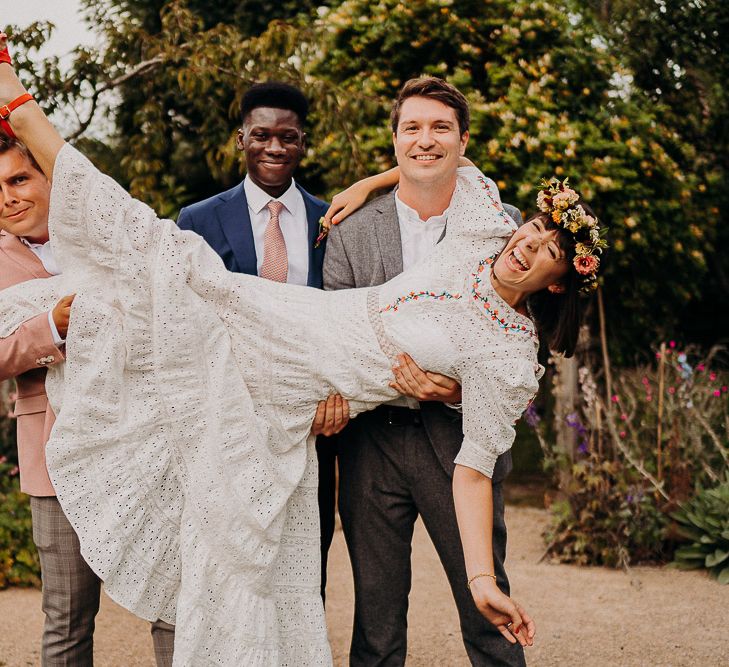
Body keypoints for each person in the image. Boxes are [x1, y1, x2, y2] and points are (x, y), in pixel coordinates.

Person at [0, 35, 604, 665]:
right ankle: (19, 109)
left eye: (548, 252)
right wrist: (371, 183)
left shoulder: (510, 355)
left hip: (311, 386)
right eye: (534, 230)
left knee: (245, 535)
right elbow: (442, 160)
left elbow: (474, 472)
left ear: (558, 281)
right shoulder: (487, 227)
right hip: (299, 326)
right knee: (159, 260)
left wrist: (483, 581)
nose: (527, 246)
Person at [321, 76, 528, 667]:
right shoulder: (352, 231)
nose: (425, 140)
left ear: (463, 142)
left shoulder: (501, 225)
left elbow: (514, 339)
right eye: (411, 128)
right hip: (371, 447)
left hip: (458, 442)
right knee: (376, 627)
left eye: (441, 128)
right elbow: (337, 337)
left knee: (486, 613)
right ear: (394, 141)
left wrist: (463, 389)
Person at [0, 133, 174, 666]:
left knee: (171, 593)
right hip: (56, 458)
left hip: (145, 449)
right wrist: (51, 326)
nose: (7, 198)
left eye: (19, 179)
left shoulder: (107, 240)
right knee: (67, 613)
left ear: (52, 177)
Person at [177, 81, 349, 604]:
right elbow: (188, 323)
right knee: (232, 563)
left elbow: (342, 316)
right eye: (262, 135)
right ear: (241, 139)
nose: (274, 147)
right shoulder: (197, 220)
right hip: (232, 420)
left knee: (306, 564)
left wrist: (336, 392)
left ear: (303, 144)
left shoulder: (332, 221)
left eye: (288, 137)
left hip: (313, 423)